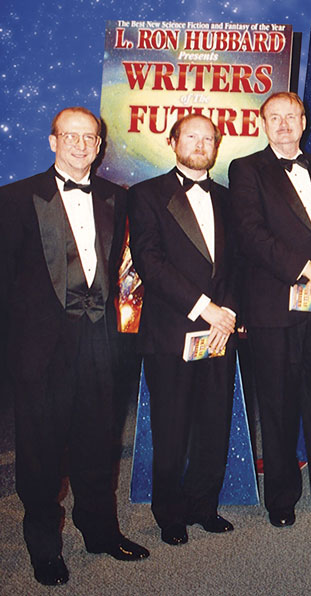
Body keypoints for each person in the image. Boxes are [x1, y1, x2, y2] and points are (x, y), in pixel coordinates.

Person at [0, 107, 149, 586]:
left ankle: (101, 531)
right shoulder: (15, 198)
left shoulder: (115, 197)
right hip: (41, 349)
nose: (82, 145)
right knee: (41, 454)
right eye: (71, 136)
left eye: (91, 137)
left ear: (100, 145)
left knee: (97, 444)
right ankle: (44, 547)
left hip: (100, 343)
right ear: (52, 141)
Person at [229, 92, 311, 526]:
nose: (284, 124)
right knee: (279, 405)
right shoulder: (246, 170)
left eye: (291, 116)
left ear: (304, 122)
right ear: (262, 124)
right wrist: (309, 270)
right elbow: (251, 234)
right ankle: (281, 499)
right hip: (273, 310)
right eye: (275, 117)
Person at [128, 114, 238, 545]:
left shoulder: (230, 199)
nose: (200, 143)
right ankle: (169, 514)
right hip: (172, 333)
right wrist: (206, 308)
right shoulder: (146, 195)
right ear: (172, 142)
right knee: (171, 429)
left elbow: (240, 265)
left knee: (214, 423)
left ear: (217, 146)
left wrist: (227, 313)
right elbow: (149, 263)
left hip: (220, 331)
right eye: (190, 136)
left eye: (208, 138)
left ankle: (203, 505)